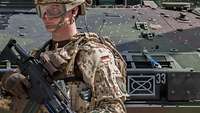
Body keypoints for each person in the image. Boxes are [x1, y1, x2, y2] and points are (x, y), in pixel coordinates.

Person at [1, 0, 127, 113]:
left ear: (73, 11)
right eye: (42, 10)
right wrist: (9, 79)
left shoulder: (92, 54)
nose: (46, 16)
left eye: (54, 10)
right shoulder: (40, 55)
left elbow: (114, 107)